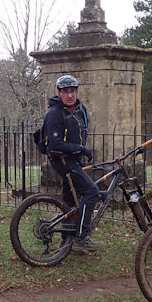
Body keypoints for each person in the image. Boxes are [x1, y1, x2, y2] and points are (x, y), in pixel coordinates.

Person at [42, 74, 101, 254]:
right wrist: (80, 149)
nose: (70, 95)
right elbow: (55, 144)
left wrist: (79, 150)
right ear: (59, 93)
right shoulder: (54, 113)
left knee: (69, 201)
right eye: (65, 92)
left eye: (73, 91)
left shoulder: (78, 109)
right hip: (62, 159)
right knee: (92, 192)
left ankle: (66, 241)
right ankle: (81, 237)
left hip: (72, 158)